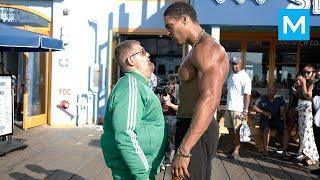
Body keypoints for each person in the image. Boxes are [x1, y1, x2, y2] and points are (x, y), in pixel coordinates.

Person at [163, 2, 229, 179]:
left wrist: (184, 149)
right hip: (190, 125)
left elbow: (210, 99)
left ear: (184, 19)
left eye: (170, 26)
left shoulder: (207, 49)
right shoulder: (197, 48)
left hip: (197, 128)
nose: (168, 33)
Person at [100, 40, 166, 180]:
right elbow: (126, 134)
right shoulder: (131, 87)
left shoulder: (137, 85)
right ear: (131, 60)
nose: (148, 54)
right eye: (142, 52)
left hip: (138, 169)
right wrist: (142, 175)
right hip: (134, 173)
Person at [224, 56, 251, 159]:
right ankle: (235, 145)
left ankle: (236, 150)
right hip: (229, 107)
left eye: (235, 64)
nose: (233, 66)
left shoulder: (245, 77)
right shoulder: (231, 76)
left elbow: (247, 95)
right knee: (229, 128)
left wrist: (246, 110)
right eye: (232, 64)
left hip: (238, 108)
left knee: (238, 130)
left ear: (241, 64)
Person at [253, 84, 289, 159]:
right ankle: (265, 151)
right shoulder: (262, 98)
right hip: (265, 120)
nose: (271, 92)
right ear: (267, 91)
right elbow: (254, 107)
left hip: (276, 120)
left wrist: (284, 123)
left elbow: (283, 112)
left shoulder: (279, 99)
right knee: (266, 129)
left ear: (275, 91)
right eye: (269, 90)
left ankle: (284, 151)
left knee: (286, 130)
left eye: (273, 91)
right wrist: (263, 112)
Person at [293, 65, 319, 166]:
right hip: (302, 112)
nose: (306, 74)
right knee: (302, 133)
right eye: (304, 72)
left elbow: (307, 96)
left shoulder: (312, 82)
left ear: (313, 72)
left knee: (307, 134)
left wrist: (303, 84)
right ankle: (309, 156)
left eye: (308, 72)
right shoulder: (306, 82)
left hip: (307, 112)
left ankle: (311, 156)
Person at [311, 67, 320, 175]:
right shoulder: (317, 83)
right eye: (317, 71)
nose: (318, 73)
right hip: (316, 115)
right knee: (318, 142)